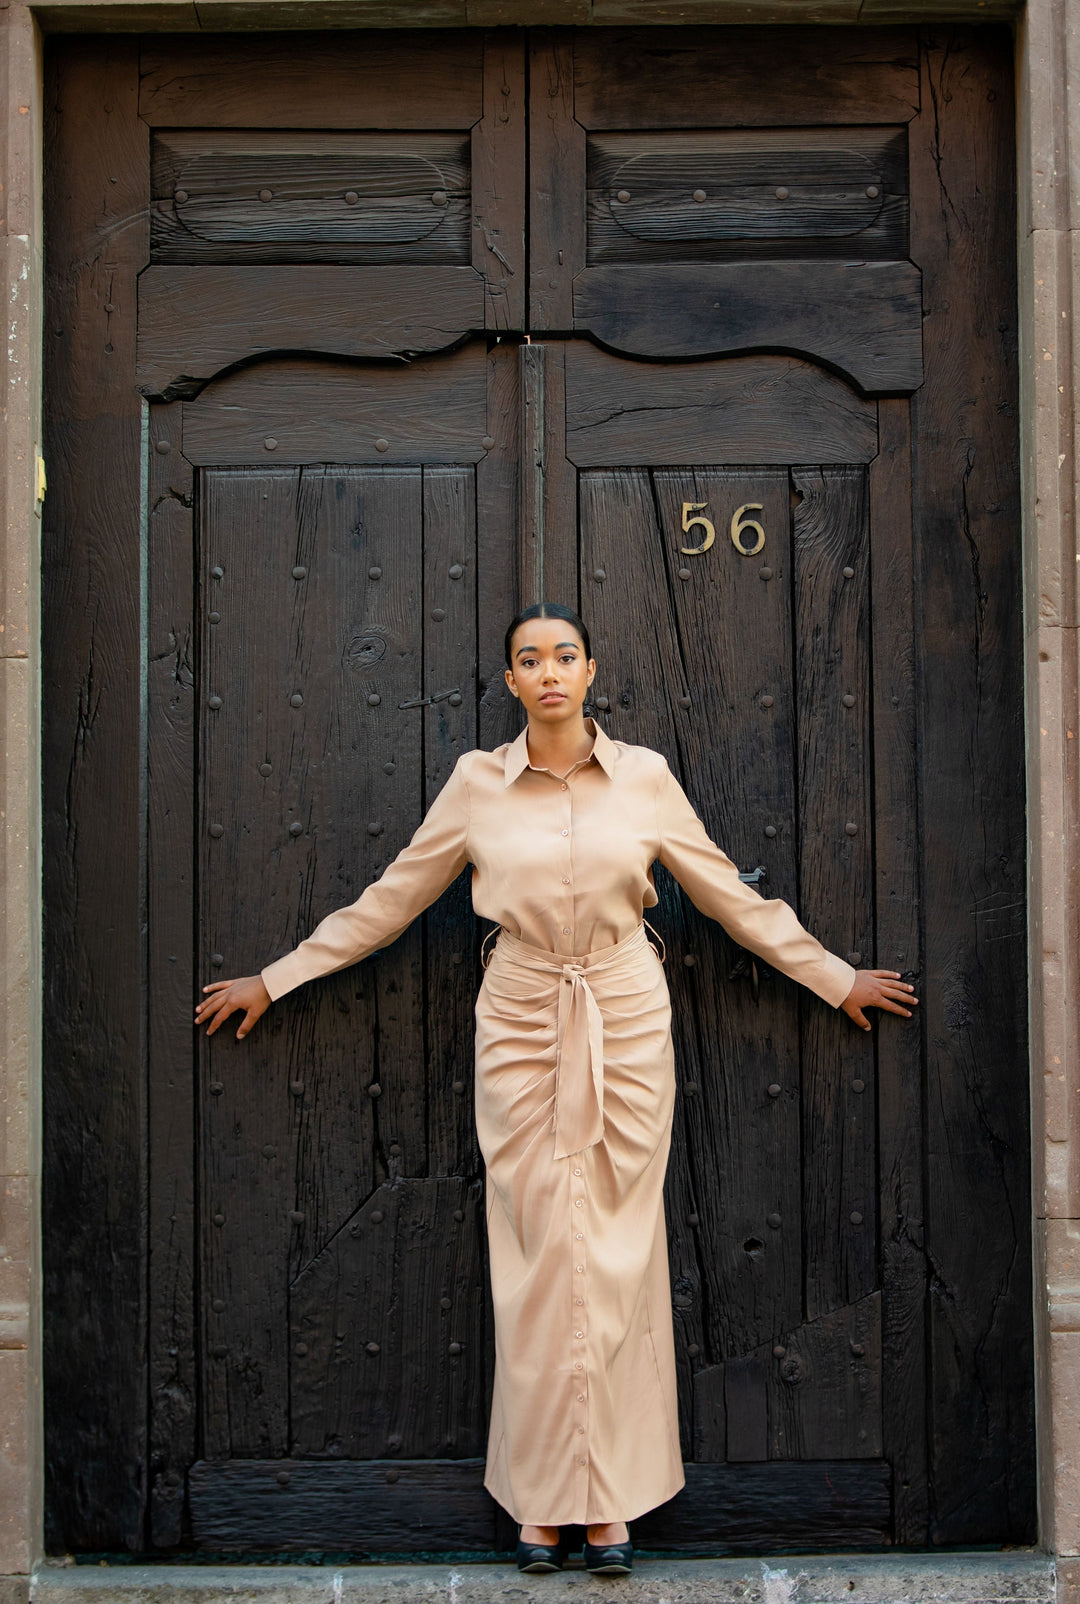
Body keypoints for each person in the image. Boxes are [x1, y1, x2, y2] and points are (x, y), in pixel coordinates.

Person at [194, 602, 917, 1575]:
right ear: (509, 679)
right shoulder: (476, 786)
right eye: (529, 658)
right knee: (535, 1256)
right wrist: (274, 979)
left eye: (563, 656)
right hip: (523, 1015)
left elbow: (729, 899)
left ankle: (610, 1501)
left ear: (590, 670)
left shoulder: (646, 780)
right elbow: (390, 900)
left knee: (617, 1255)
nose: (548, 672)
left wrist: (835, 977)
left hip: (623, 1011)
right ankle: (542, 1503)